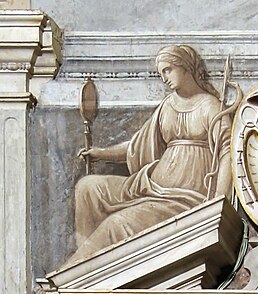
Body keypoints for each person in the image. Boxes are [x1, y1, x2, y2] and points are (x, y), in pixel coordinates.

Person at [69, 45, 232, 264]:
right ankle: (82, 271)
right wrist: (101, 153)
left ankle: (82, 270)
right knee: (87, 188)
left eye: (168, 70)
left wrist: (218, 206)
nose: (164, 78)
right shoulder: (167, 106)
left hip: (184, 198)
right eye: (161, 73)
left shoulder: (210, 106)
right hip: (151, 186)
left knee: (116, 224)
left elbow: (227, 153)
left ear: (186, 68)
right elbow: (138, 144)